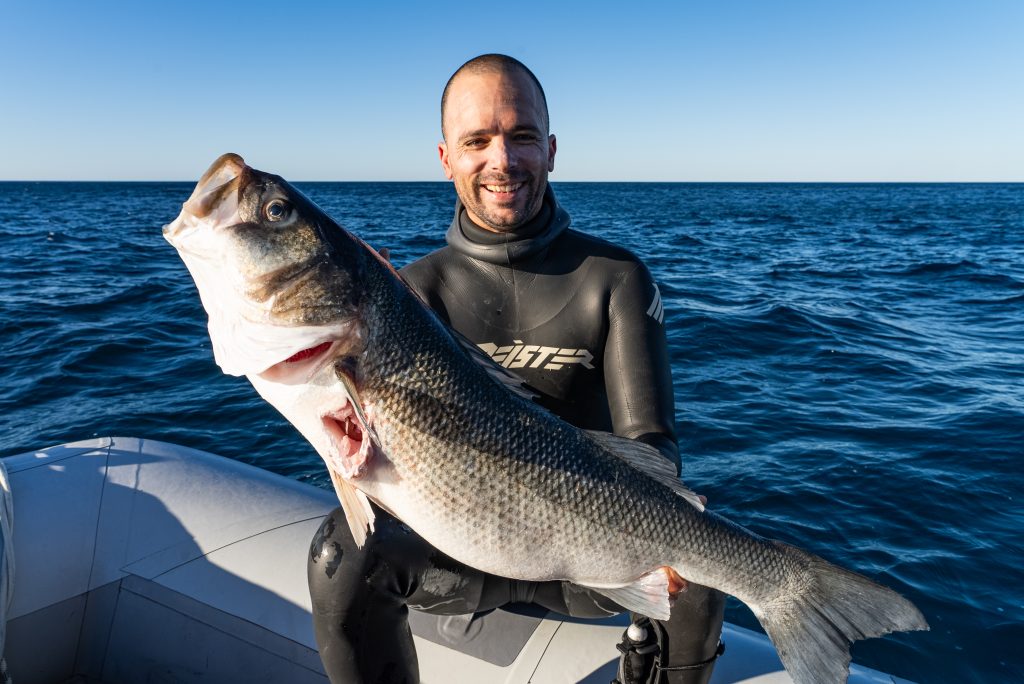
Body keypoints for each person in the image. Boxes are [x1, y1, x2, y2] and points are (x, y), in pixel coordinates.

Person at [307, 54, 725, 684]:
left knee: (701, 572)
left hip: (592, 561)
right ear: (446, 158)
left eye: (521, 136)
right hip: (461, 548)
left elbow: (653, 451)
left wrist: (649, 530)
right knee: (339, 554)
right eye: (476, 141)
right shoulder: (410, 293)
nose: (501, 160)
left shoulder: (614, 279)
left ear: (551, 149)